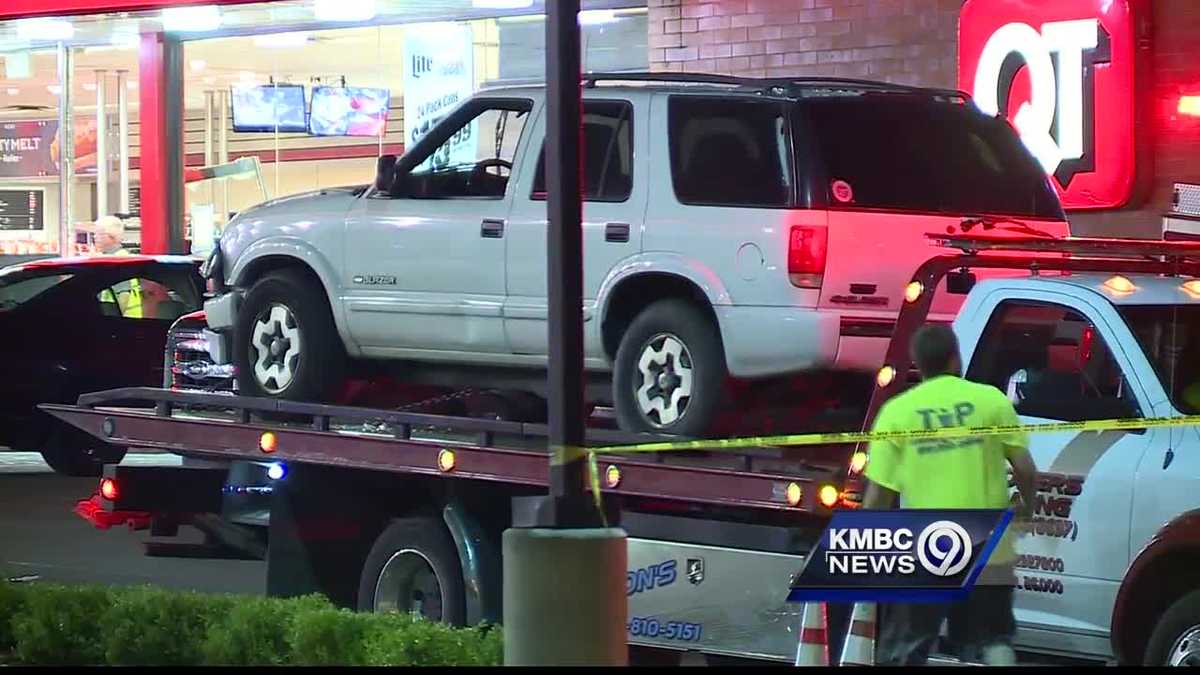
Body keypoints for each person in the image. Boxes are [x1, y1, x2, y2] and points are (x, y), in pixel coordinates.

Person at [861, 324, 1039, 666]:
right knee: (991, 640)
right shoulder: (991, 400)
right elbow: (1026, 470)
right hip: (989, 547)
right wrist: (1026, 508)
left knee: (907, 647)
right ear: (955, 359)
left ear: (917, 364)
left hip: (927, 545)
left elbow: (878, 498)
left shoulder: (897, 413)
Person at [90, 216, 143, 318]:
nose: (95, 237)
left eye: (98, 234)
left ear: (111, 236)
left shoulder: (117, 260)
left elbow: (123, 296)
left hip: (124, 326)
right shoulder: (112, 258)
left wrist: (114, 323)